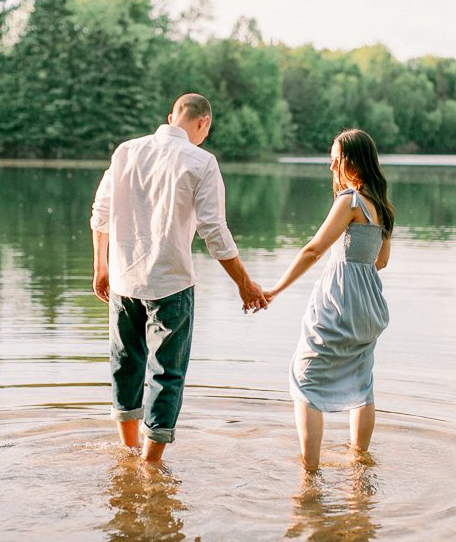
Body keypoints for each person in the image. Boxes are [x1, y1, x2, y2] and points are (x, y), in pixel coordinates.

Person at [90, 93, 268, 463]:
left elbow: (100, 212)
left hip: (124, 279)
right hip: (170, 283)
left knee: (125, 364)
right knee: (166, 374)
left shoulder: (126, 151)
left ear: (172, 116)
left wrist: (101, 266)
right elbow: (213, 230)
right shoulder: (202, 162)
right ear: (203, 123)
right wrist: (244, 284)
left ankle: (128, 451)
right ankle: (150, 465)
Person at [264, 129, 394, 471]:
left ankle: (309, 473)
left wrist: (275, 289)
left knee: (305, 379)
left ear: (351, 162)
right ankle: (359, 466)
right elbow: (381, 262)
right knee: (362, 382)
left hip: (340, 302)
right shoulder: (382, 207)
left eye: (335, 159)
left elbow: (313, 249)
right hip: (370, 306)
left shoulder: (349, 202)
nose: (331, 166)